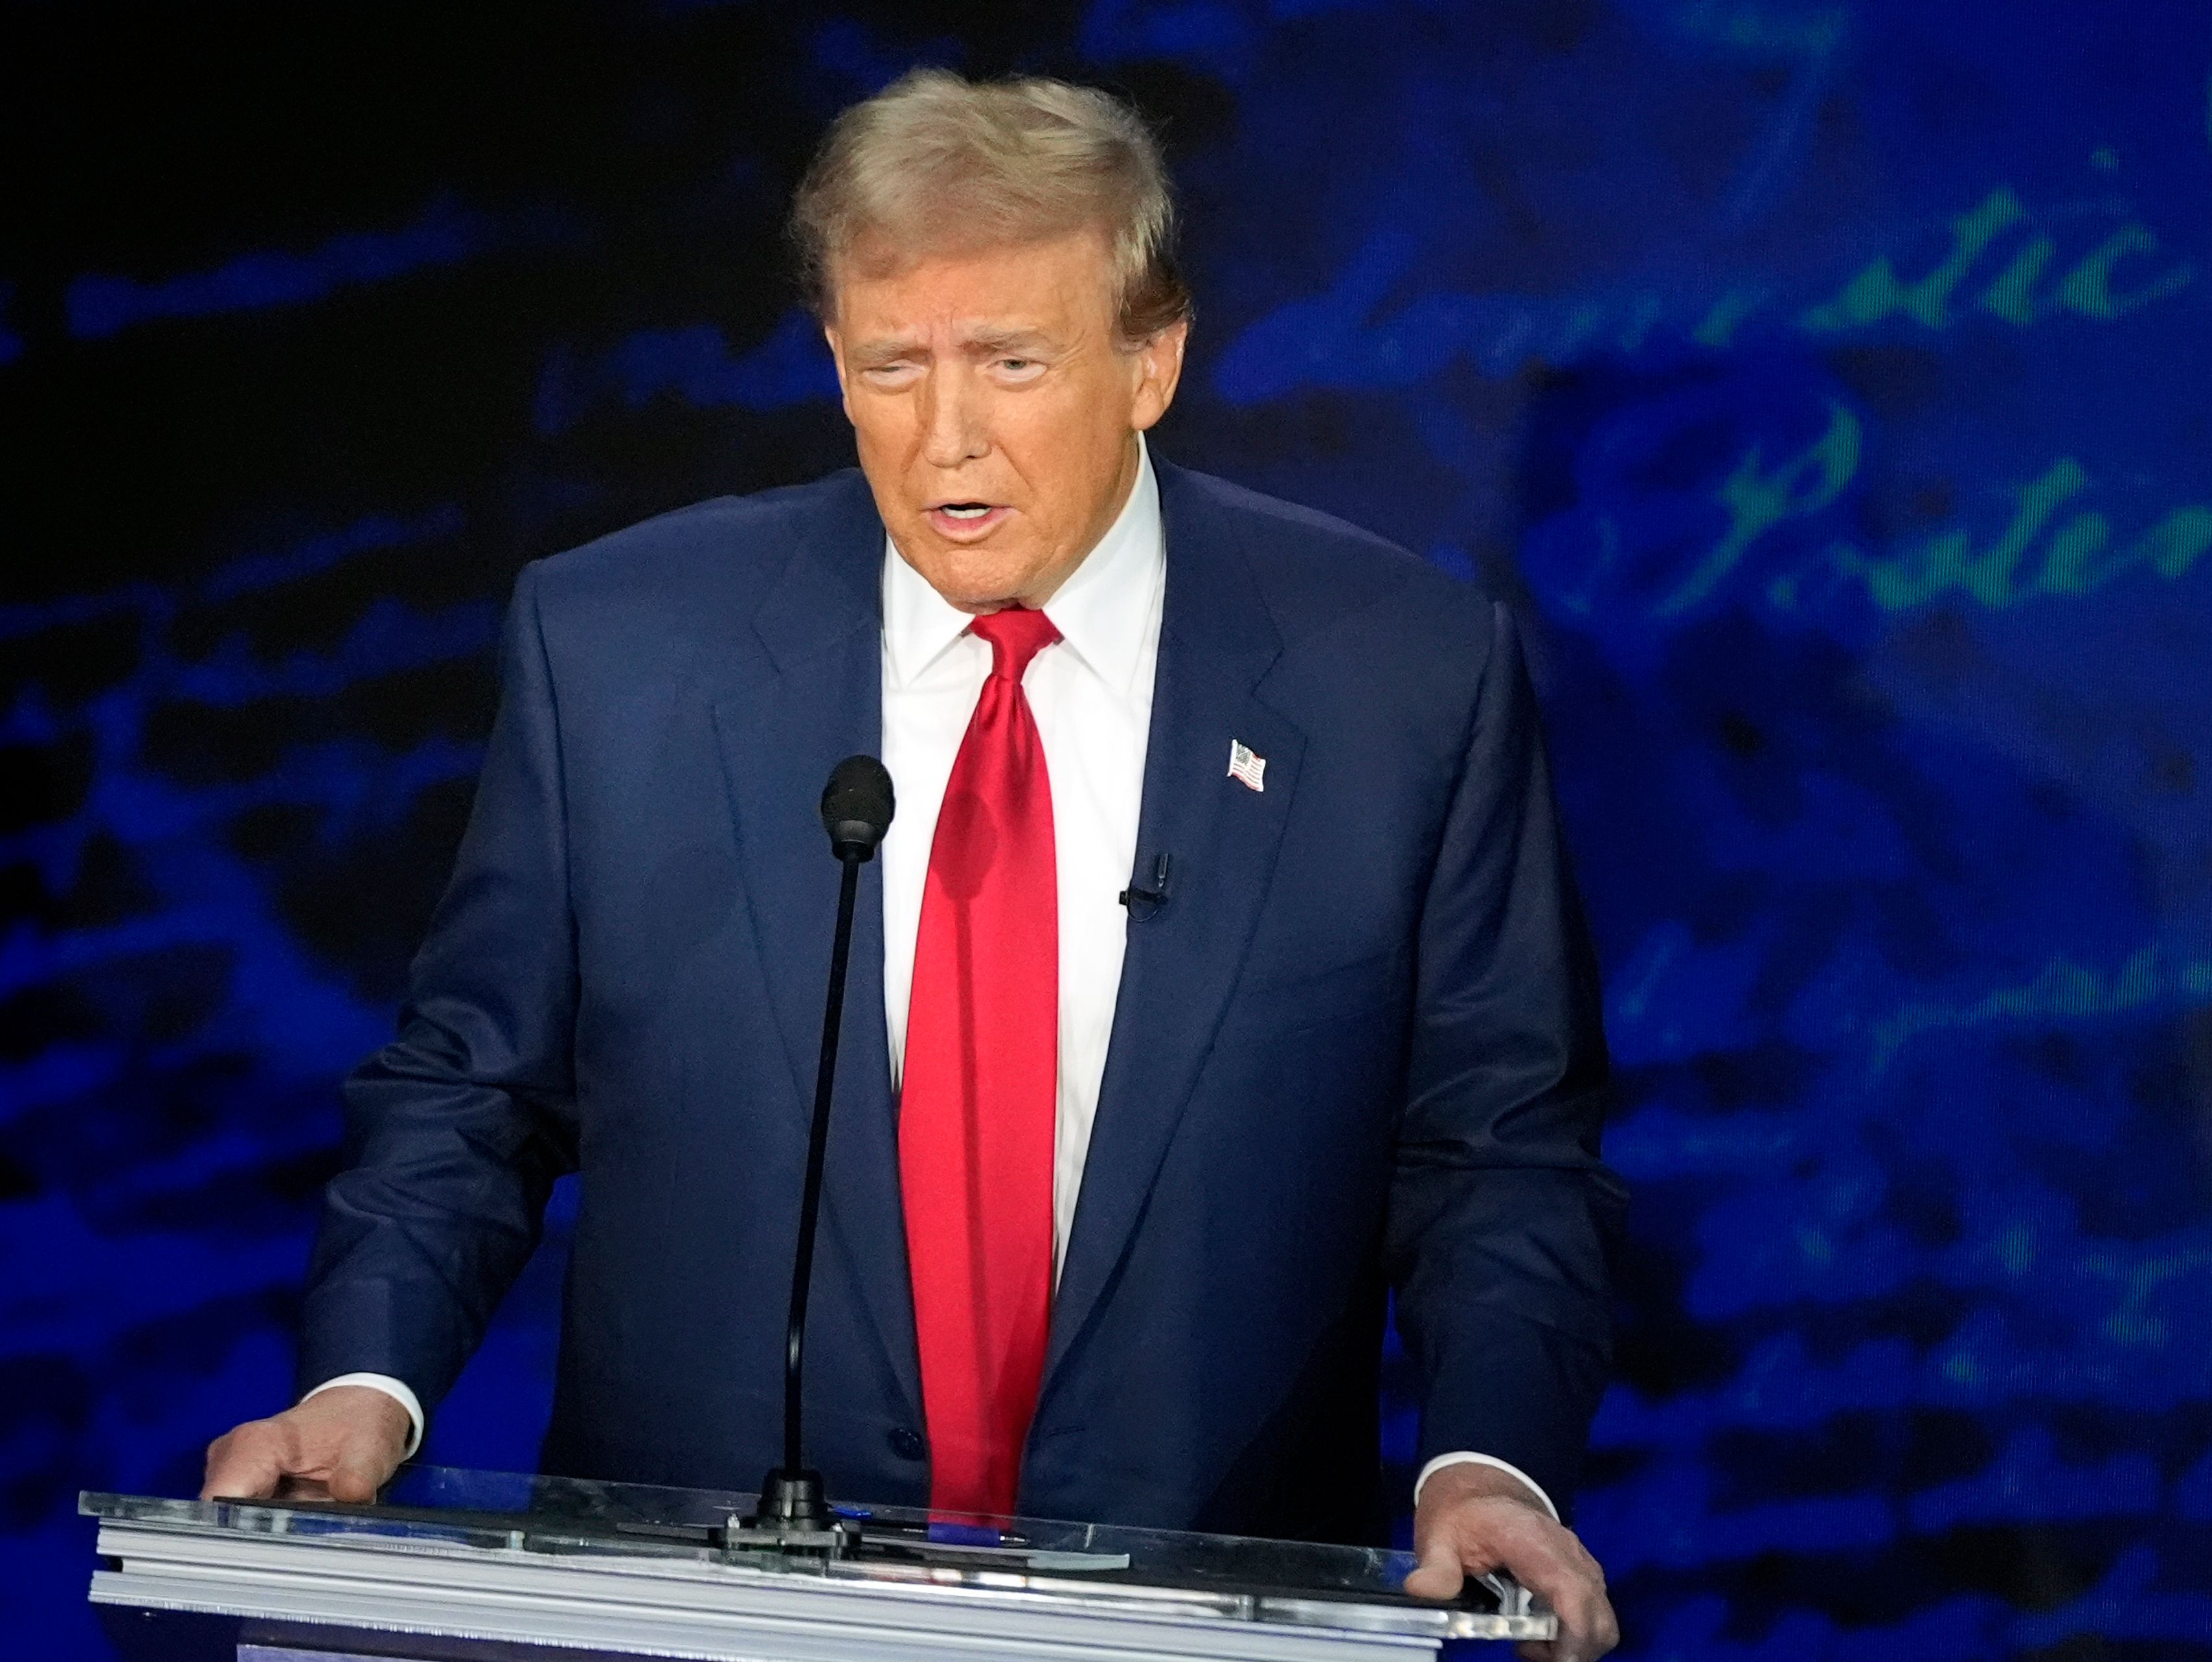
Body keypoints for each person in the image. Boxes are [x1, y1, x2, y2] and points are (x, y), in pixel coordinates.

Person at [204, 68, 1625, 1661]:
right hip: (695, 1610)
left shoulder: (1404, 678)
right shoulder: (617, 651)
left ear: (1151, 357)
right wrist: (364, 1384)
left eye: (1012, 362)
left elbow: (1497, 1150)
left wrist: (1488, 1455)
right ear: (835, 363)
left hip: (1199, 1617)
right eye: (894, 366)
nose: (948, 439)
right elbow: (475, 1087)